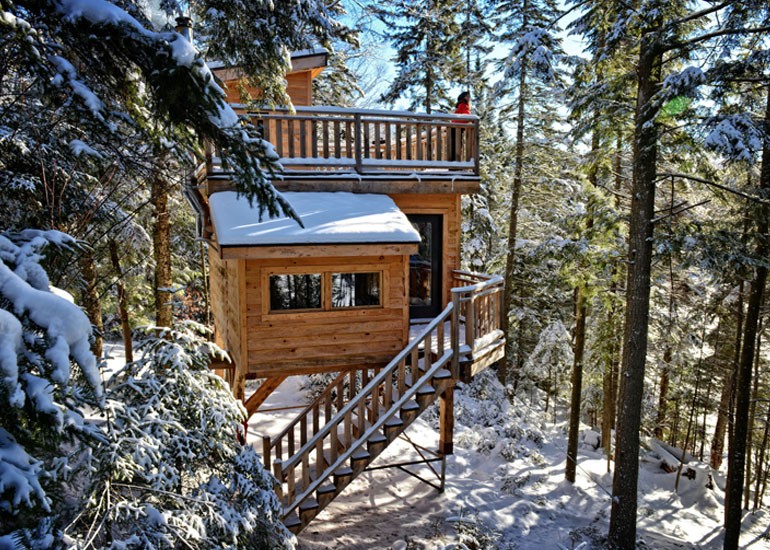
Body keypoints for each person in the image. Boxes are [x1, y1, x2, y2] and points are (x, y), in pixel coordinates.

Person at [450, 91, 471, 161]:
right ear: (463, 97)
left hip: (455, 126)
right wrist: (473, 120)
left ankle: (454, 160)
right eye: (467, 96)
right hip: (457, 127)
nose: (469, 98)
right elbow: (467, 115)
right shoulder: (464, 105)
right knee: (458, 144)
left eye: (469, 96)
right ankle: (456, 161)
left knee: (454, 144)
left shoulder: (460, 104)